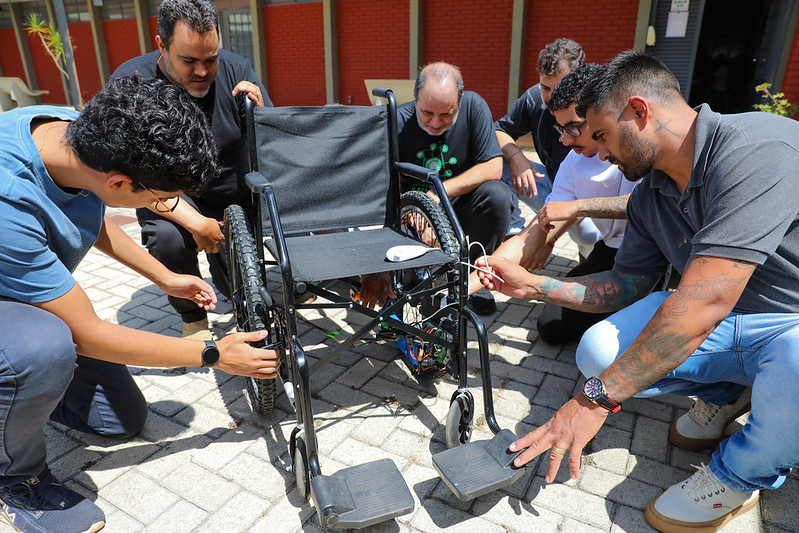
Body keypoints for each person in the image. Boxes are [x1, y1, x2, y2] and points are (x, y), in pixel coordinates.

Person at [478, 50, 799, 532]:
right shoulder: (653, 193)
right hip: (726, 323)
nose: (600, 152)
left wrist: (594, 399)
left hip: (787, 322)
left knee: (795, 362)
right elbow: (625, 286)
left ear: (639, 110)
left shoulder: (758, 148)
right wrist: (538, 287)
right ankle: (728, 393)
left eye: (603, 136)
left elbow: (703, 302)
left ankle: (739, 474)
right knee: (598, 349)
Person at [0, 76, 279, 533]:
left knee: (119, 419)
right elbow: (88, 333)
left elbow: (90, 210)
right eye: (162, 199)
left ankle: (20, 399)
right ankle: (14, 476)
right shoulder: (8, 198)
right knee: (45, 347)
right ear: (121, 181)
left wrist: (165, 276)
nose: (165, 205)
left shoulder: (76, 130)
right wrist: (213, 354)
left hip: (17, 284)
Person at [112, 0, 272, 341]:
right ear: (162, 45)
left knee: (239, 281)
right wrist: (196, 223)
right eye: (189, 61)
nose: (202, 72)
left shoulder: (238, 71)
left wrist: (262, 117)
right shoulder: (131, 83)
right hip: (166, 193)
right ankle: (193, 317)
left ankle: (241, 291)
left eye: (211, 59)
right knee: (168, 242)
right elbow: (127, 180)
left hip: (231, 189)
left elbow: (275, 144)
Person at [472, 63, 635, 344]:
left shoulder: (637, 148)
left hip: (653, 254)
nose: (564, 139)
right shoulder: (573, 161)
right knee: (552, 325)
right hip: (612, 250)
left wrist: (578, 207)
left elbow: (641, 204)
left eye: (573, 128)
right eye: (560, 129)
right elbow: (534, 231)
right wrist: (470, 282)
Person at [395, 61, 510, 315]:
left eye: (446, 114)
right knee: (417, 291)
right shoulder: (398, 121)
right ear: (415, 98)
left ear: (460, 99)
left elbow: (493, 167)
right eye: (426, 113)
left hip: (459, 205)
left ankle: (476, 279)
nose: (435, 123)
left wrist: (438, 193)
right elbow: (386, 185)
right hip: (413, 213)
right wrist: (421, 213)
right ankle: (424, 281)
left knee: (498, 196)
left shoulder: (474, 106)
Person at [495, 38, 599, 256]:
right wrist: (517, 158)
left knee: (588, 233)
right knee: (494, 162)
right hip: (554, 187)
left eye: (560, 87)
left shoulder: (598, 105)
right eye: (545, 87)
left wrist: (549, 240)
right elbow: (498, 131)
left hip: (592, 199)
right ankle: (512, 235)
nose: (552, 97)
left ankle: (590, 261)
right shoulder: (533, 99)